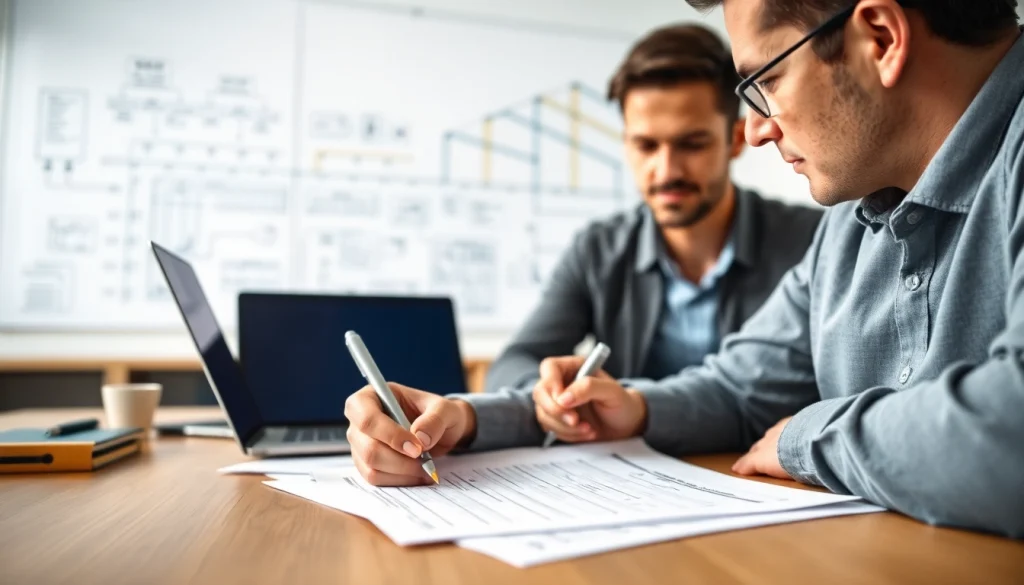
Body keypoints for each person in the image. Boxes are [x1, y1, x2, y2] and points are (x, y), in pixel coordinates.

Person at [343, 0, 1024, 538]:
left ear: (880, 36)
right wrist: (470, 418)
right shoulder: (853, 219)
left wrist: (811, 435)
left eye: (764, 81)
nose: (758, 129)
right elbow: (738, 389)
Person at [484, 24, 822, 394]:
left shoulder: (812, 242)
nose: (666, 172)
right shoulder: (598, 249)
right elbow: (513, 364)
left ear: (736, 140)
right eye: (646, 146)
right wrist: (544, 392)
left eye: (691, 144)